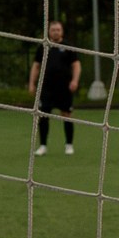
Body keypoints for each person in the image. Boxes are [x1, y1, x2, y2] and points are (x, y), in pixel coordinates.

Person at [30, 20, 81, 156]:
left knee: (67, 115)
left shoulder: (68, 46)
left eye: (58, 29)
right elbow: (36, 66)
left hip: (64, 88)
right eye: (53, 30)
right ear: (49, 31)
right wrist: (32, 83)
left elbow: (76, 65)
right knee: (43, 115)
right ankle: (43, 146)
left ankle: (69, 145)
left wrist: (75, 80)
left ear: (62, 31)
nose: (56, 32)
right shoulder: (43, 47)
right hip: (46, 88)